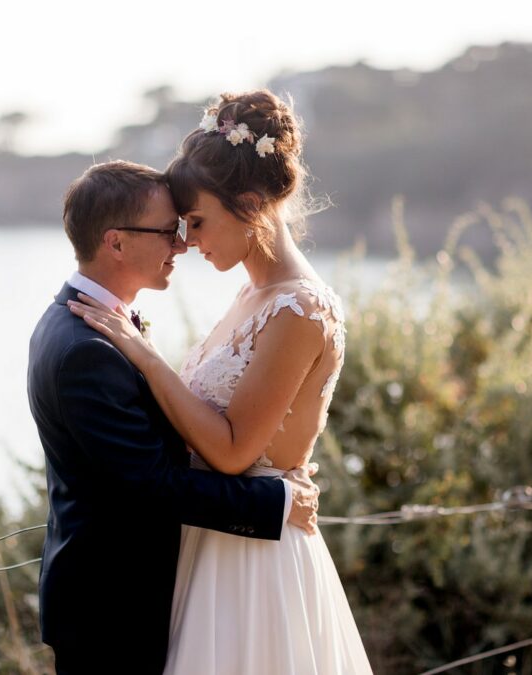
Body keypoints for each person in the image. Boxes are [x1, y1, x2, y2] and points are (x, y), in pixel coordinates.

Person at [68, 90, 372, 674]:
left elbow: (234, 452)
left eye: (197, 221)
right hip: (213, 546)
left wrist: (144, 355)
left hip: (256, 570)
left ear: (251, 204)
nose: (186, 241)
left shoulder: (300, 309)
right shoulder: (253, 296)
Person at [27, 159, 321, 674]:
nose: (181, 245)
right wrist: (276, 501)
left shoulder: (91, 323)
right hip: (110, 613)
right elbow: (151, 485)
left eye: (185, 228)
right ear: (116, 243)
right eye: (168, 231)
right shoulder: (85, 349)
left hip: (128, 599)